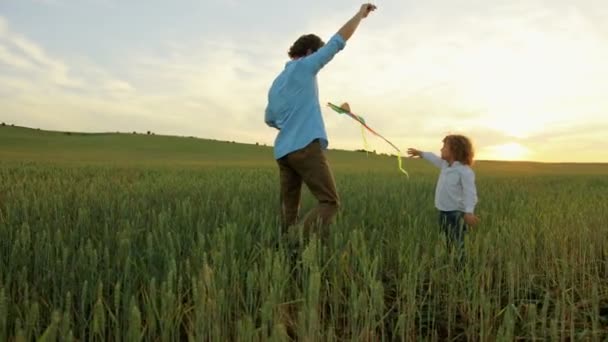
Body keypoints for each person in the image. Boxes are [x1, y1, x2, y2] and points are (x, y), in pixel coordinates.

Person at [265, 4, 377, 238]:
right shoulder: (306, 67)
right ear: (309, 52)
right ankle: (296, 240)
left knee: (289, 210)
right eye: (317, 53)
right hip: (305, 146)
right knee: (330, 202)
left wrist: (288, 121)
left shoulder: (277, 82)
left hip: (283, 152)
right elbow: (338, 42)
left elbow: (270, 118)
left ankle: (285, 249)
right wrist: (360, 15)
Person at [407, 135, 479, 264]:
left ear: (455, 150)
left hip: (457, 214)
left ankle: (461, 266)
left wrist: (469, 212)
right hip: (443, 211)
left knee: (458, 241)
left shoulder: (464, 171)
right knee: (446, 239)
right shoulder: (445, 165)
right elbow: (433, 158)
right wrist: (421, 153)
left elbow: (470, 193)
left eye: (444, 147)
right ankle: (450, 261)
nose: (440, 149)